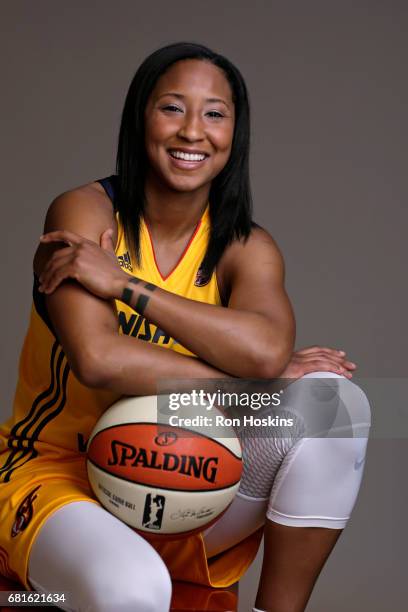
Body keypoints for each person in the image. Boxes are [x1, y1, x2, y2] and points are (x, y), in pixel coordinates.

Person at [0, 42, 371, 612]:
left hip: (180, 473)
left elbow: (269, 352)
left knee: (336, 408)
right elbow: (99, 357)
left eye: (214, 113)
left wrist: (126, 287)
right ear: (139, 118)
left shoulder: (245, 246)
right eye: (173, 108)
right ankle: (38, 595)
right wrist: (250, 383)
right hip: (57, 476)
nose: (193, 131)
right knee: (129, 591)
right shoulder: (84, 214)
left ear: (234, 132)